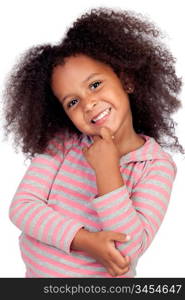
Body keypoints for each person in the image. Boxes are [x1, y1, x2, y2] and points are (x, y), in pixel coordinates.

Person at [3, 7, 184, 278]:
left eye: (95, 84)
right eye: (72, 102)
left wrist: (107, 170)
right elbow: (22, 208)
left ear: (126, 81)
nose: (88, 104)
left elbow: (129, 247)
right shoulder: (63, 143)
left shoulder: (155, 166)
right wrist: (86, 241)